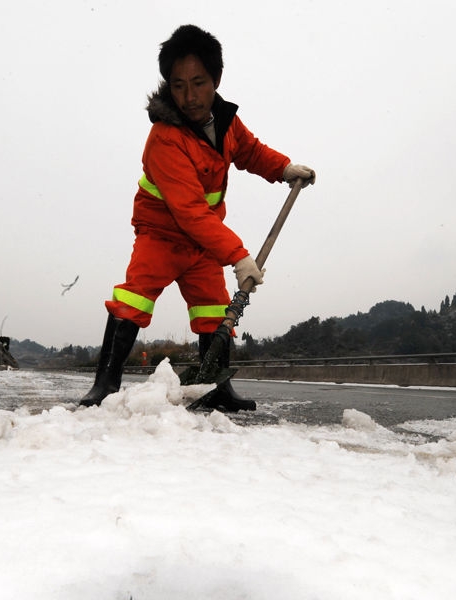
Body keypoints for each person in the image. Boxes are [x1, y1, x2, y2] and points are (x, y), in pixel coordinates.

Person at [80, 24, 315, 411]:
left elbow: (251, 151)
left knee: (213, 310)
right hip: (162, 235)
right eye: (178, 85)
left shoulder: (226, 122)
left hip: (203, 243)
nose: (189, 97)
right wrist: (239, 256)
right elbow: (189, 212)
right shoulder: (164, 138)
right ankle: (105, 385)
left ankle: (215, 388)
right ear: (167, 86)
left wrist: (285, 169)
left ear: (216, 80)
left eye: (198, 83)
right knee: (132, 300)